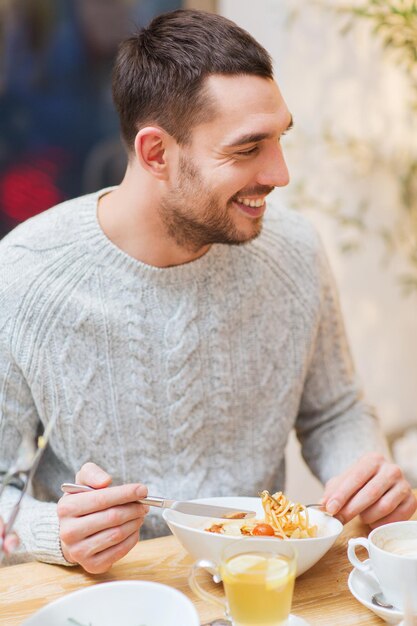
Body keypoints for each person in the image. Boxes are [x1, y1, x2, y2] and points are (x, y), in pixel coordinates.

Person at [0, 9, 415, 573]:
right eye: (248, 149)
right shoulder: (25, 275)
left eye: (279, 139)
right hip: (104, 594)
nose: (280, 173)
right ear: (156, 154)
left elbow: (333, 410)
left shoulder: (294, 249)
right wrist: (53, 532)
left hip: (259, 578)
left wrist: (366, 473)